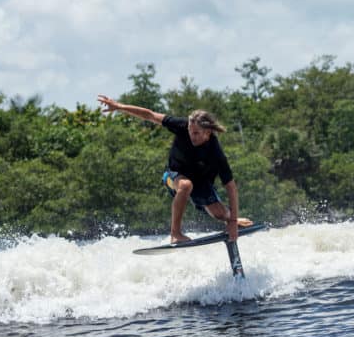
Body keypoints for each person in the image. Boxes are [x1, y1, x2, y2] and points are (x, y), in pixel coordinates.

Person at [96, 95, 251, 244]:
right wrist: (118, 106)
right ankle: (175, 233)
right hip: (173, 176)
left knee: (221, 214)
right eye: (190, 131)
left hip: (201, 183)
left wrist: (231, 221)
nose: (191, 136)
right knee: (185, 185)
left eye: (196, 133)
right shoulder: (181, 125)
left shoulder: (216, 152)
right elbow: (149, 115)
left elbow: (231, 187)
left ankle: (234, 220)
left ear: (208, 132)